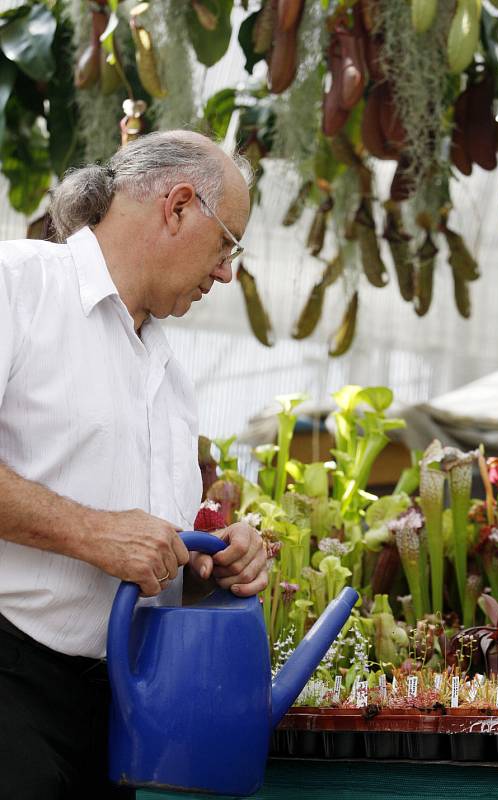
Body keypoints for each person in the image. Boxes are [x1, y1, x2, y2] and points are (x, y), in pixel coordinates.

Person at [0, 130, 268, 800]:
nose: (227, 273)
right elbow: (107, 537)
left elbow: (148, 554)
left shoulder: (169, 374)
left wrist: (210, 565)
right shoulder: (17, 287)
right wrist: (91, 533)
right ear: (178, 206)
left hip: (115, 705)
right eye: (228, 243)